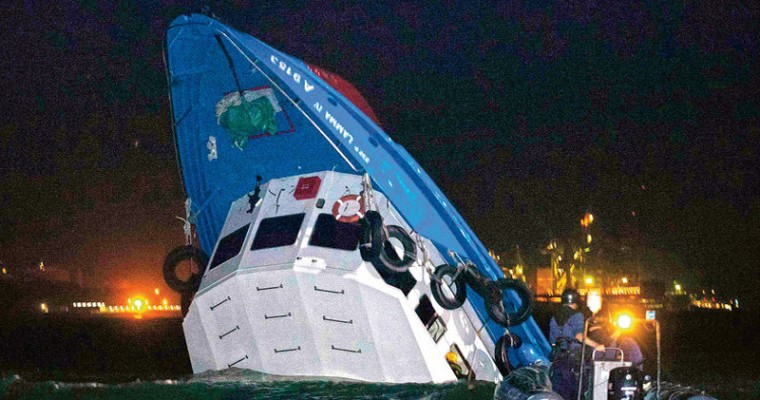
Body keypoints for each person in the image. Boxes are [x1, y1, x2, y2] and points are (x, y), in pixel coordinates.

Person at [549, 288, 605, 400]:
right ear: (576, 301)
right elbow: (579, 336)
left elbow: (552, 340)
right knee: (578, 391)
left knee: (559, 394)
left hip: (557, 359)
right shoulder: (577, 315)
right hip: (573, 360)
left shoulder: (554, 317)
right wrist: (597, 346)